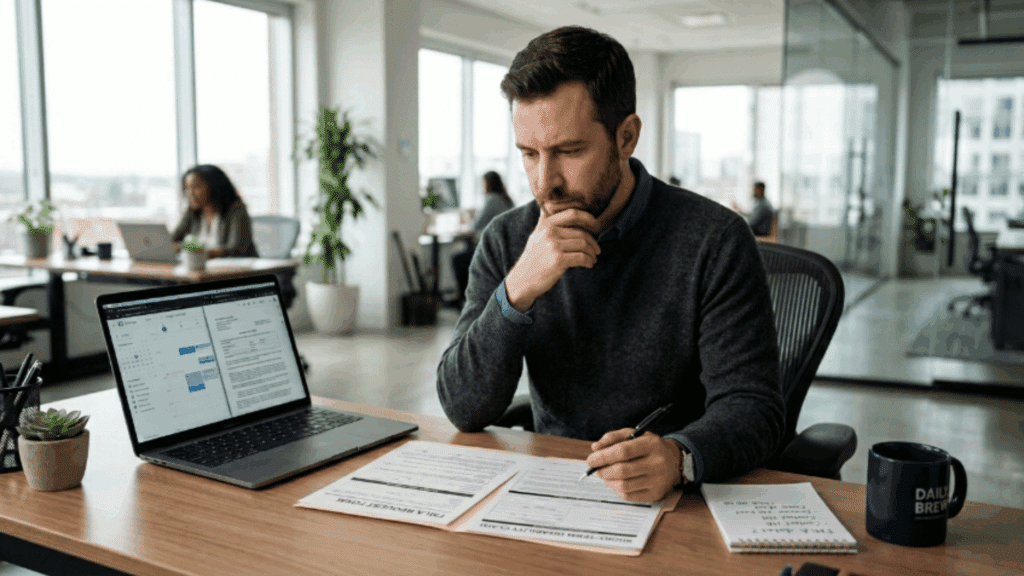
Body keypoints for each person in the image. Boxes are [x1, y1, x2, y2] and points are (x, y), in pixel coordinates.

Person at [436, 26, 783, 503]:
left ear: (626, 137)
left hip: (676, 500)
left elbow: (754, 407)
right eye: (529, 154)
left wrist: (679, 456)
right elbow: (462, 407)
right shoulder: (507, 240)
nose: (545, 182)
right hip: (554, 491)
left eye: (569, 151)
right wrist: (517, 290)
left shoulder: (715, 239)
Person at [452, 172, 515, 303]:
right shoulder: (506, 199)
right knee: (466, 252)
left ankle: (465, 297)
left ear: (487, 184)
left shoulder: (492, 199)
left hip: (494, 253)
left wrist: (469, 219)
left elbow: (476, 225)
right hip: (505, 251)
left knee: (457, 259)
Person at [171, 164, 258, 258]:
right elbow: (171, 241)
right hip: (204, 268)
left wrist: (190, 248)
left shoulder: (236, 210)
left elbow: (236, 249)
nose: (190, 193)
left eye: (196, 187)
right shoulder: (192, 212)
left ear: (214, 186)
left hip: (239, 269)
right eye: (187, 188)